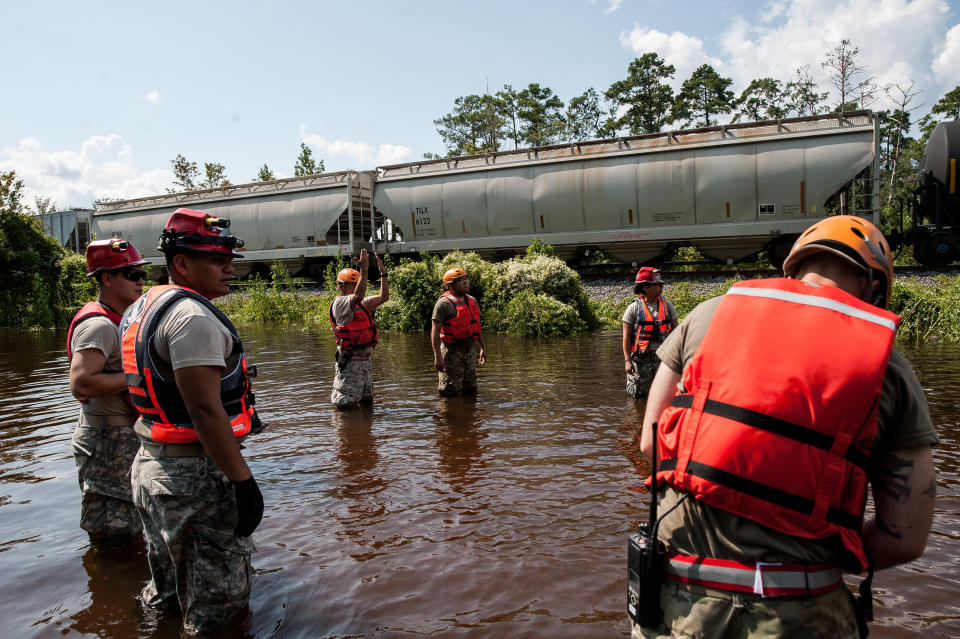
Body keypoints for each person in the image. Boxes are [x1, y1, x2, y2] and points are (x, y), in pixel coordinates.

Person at [634, 215, 938, 639]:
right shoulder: (890, 370)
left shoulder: (707, 316)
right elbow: (905, 537)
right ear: (875, 288)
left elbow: (652, 444)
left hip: (680, 601)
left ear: (791, 269)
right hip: (801, 608)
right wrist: (819, 553)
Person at [121, 207, 265, 635]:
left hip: (152, 466)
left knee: (167, 593)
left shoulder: (143, 305)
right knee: (219, 612)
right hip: (194, 475)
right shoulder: (193, 318)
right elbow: (205, 410)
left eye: (229, 259)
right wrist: (243, 482)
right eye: (216, 261)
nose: (228, 269)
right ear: (181, 263)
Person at [68, 239, 149, 546]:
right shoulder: (99, 326)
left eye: (142, 273)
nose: (141, 281)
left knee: (132, 527)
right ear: (107, 278)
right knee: (114, 537)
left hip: (121, 438)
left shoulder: (121, 320)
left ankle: (116, 590)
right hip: (106, 442)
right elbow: (82, 382)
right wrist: (138, 377)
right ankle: (107, 590)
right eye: (132, 274)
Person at [329, 249, 389, 409]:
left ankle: (363, 432)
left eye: (357, 284)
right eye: (352, 285)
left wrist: (383, 275)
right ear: (340, 286)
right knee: (345, 404)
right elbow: (358, 296)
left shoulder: (362, 303)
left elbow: (384, 297)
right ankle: (346, 432)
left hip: (364, 360)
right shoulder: (340, 303)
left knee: (367, 402)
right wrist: (364, 270)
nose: (356, 287)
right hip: (350, 361)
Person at [622, 267, 678, 398]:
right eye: (656, 285)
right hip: (641, 359)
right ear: (645, 288)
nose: (660, 288)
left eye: (661, 285)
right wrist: (627, 361)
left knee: (664, 395)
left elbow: (677, 332)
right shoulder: (633, 308)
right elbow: (626, 337)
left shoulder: (668, 306)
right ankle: (638, 418)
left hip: (663, 358)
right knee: (639, 396)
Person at [431, 268, 487, 396]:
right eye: (461, 280)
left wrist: (483, 348)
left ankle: (469, 415)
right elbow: (434, 333)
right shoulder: (443, 304)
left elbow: (477, 327)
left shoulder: (472, 300)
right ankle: (448, 415)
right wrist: (438, 356)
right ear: (449, 286)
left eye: (465, 279)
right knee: (448, 392)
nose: (466, 282)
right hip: (451, 352)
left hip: (470, 351)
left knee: (471, 389)